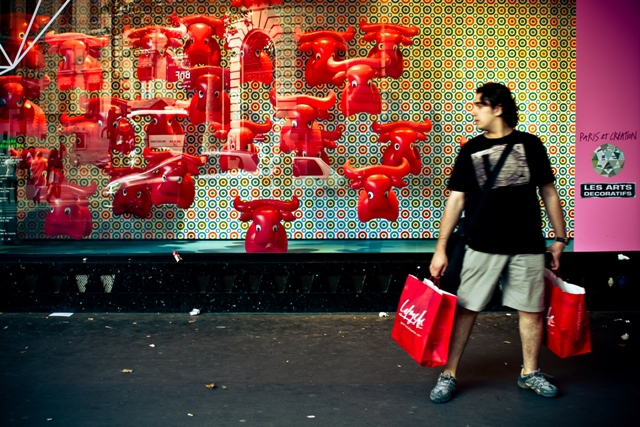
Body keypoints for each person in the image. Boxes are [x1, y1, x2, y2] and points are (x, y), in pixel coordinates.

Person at [428, 82, 568, 403]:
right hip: (481, 245)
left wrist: (559, 239)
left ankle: (529, 373)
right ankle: (448, 374)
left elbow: (548, 193)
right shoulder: (470, 150)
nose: (473, 110)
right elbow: (456, 201)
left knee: (531, 311)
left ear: (498, 108)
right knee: (466, 310)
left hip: (528, 245)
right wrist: (440, 249)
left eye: (479, 104)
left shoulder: (530, 145)